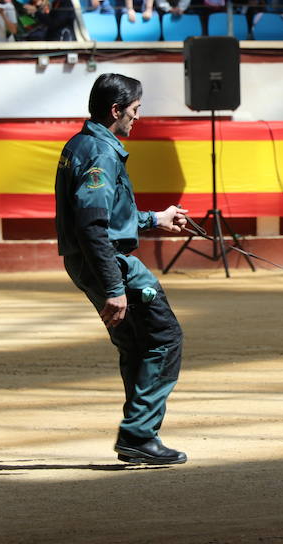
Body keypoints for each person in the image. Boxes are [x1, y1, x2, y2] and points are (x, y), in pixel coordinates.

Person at [55, 73, 189, 465]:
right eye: (134, 110)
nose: (137, 117)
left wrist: (155, 218)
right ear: (116, 110)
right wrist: (114, 288)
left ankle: (138, 435)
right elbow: (93, 225)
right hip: (110, 263)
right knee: (165, 339)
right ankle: (138, 434)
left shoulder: (84, 144)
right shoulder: (99, 153)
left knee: (136, 343)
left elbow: (109, 215)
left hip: (92, 261)